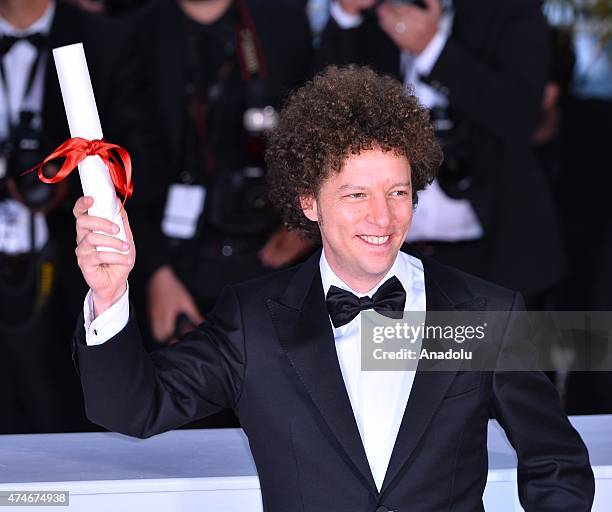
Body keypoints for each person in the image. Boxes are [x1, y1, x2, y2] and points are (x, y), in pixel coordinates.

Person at [71, 66, 594, 511]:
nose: (382, 217)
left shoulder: (485, 313)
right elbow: (132, 409)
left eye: (397, 192)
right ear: (309, 203)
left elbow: (555, 460)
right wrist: (111, 294)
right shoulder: (253, 321)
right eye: (355, 194)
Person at [316, 0, 566, 306]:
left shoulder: (511, 10)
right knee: (380, 354)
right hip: (388, 258)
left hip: (492, 256)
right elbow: (324, 109)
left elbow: (520, 117)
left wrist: (432, 48)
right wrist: (347, 14)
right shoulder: (378, 11)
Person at [0, 0, 162, 433]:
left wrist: (64, 181)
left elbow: (141, 156)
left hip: (73, 278)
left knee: (71, 427)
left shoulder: (107, 39)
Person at [126, 0, 314, 349]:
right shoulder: (134, 32)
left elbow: (326, 136)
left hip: (271, 258)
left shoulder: (281, 21)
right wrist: (155, 273)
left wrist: (307, 224)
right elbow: (116, 169)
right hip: (172, 264)